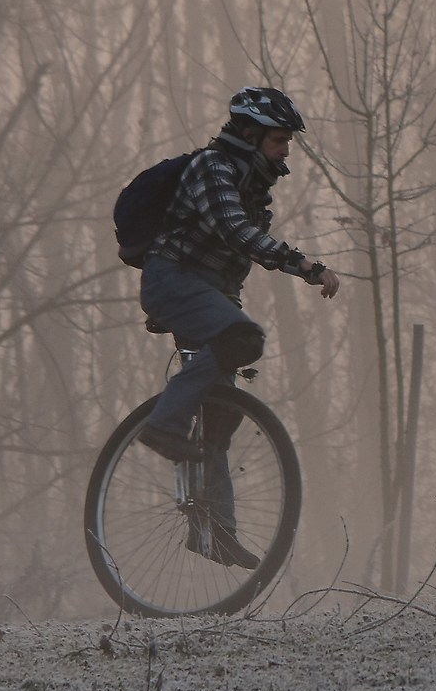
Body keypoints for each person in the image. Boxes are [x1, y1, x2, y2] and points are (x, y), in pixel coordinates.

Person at [137, 86, 343, 567]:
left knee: (219, 413)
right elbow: (234, 231)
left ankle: (215, 531)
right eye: (279, 140)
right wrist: (305, 265)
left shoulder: (252, 185)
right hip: (173, 280)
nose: (286, 150)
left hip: (207, 291)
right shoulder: (213, 167)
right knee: (245, 339)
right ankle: (163, 425)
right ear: (250, 136)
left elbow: (230, 261)